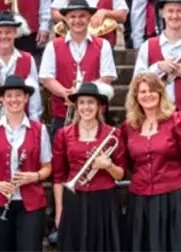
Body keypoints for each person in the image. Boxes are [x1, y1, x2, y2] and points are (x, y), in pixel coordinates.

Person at [121, 73, 181, 251]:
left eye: (153, 90)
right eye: (143, 91)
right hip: (141, 202)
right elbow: (128, 164)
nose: (148, 95)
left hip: (174, 197)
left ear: (161, 93)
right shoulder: (129, 127)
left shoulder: (178, 120)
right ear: (135, 97)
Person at [0, 75, 52, 252]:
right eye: (9, 95)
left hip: (31, 203)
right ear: (2, 99)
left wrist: (35, 176)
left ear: (26, 98)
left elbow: (48, 167)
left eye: (18, 95)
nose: (14, 99)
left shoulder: (40, 129)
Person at [51, 82, 124, 251]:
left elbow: (121, 174)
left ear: (99, 106)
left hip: (104, 201)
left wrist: (108, 165)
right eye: (82, 103)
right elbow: (58, 176)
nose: (86, 107)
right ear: (76, 106)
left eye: (91, 102)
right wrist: (59, 210)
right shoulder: (64, 134)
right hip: (74, 200)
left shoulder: (113, 134)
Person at [39, 0, 118, 134]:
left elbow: (106, 77)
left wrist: (81, 93)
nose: (77, 20)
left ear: (89, 18)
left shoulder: (103, 45)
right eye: (72, 16)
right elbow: (47, 79)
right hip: (63, 114)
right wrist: (66, 93)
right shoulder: (53, 46)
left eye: (82, 16)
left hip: (96, 114)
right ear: (66, 19)